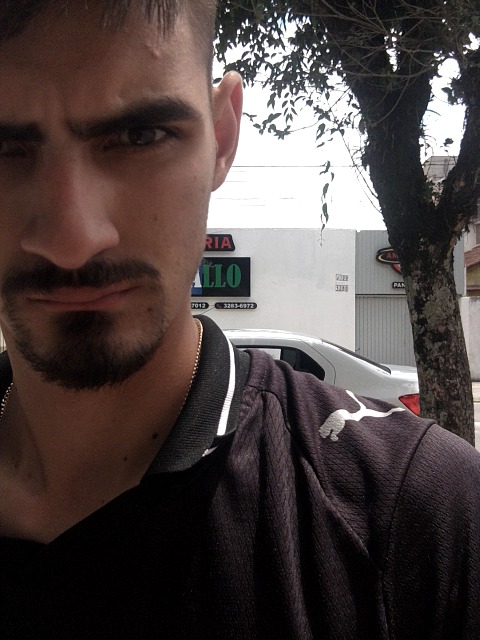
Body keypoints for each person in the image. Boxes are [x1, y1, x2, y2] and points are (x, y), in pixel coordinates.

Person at [0, 1, 478, 638]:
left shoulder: (419, 517)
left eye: (141, 137)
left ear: (222, 138)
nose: (73, 240)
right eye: (4, 147)